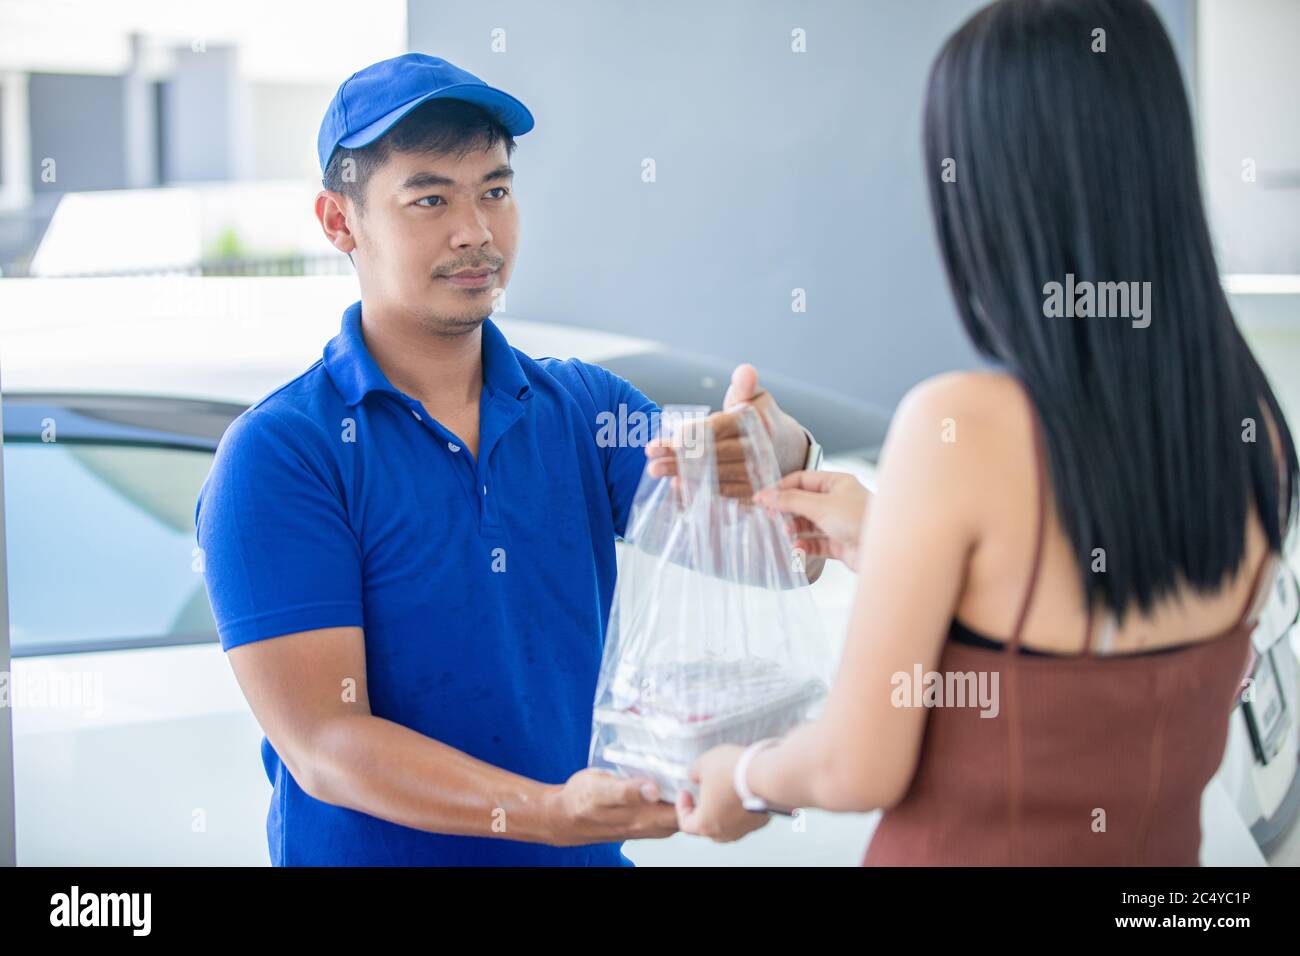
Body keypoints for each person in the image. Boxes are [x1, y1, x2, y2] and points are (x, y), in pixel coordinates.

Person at [678, 0, 1299, 865]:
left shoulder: (961, 427)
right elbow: (1093, 605)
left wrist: (740, 775)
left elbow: (860, 766)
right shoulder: (1255, 427)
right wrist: (888, 536)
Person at [195, 53, 823, 866]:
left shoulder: (585, 411)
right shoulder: (284, 454)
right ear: (339, 221)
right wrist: (546, 813)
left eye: (495, 190)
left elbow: (785, 560)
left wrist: (780, 449)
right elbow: (325, 742)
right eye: (430, 199)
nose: (477, 232)